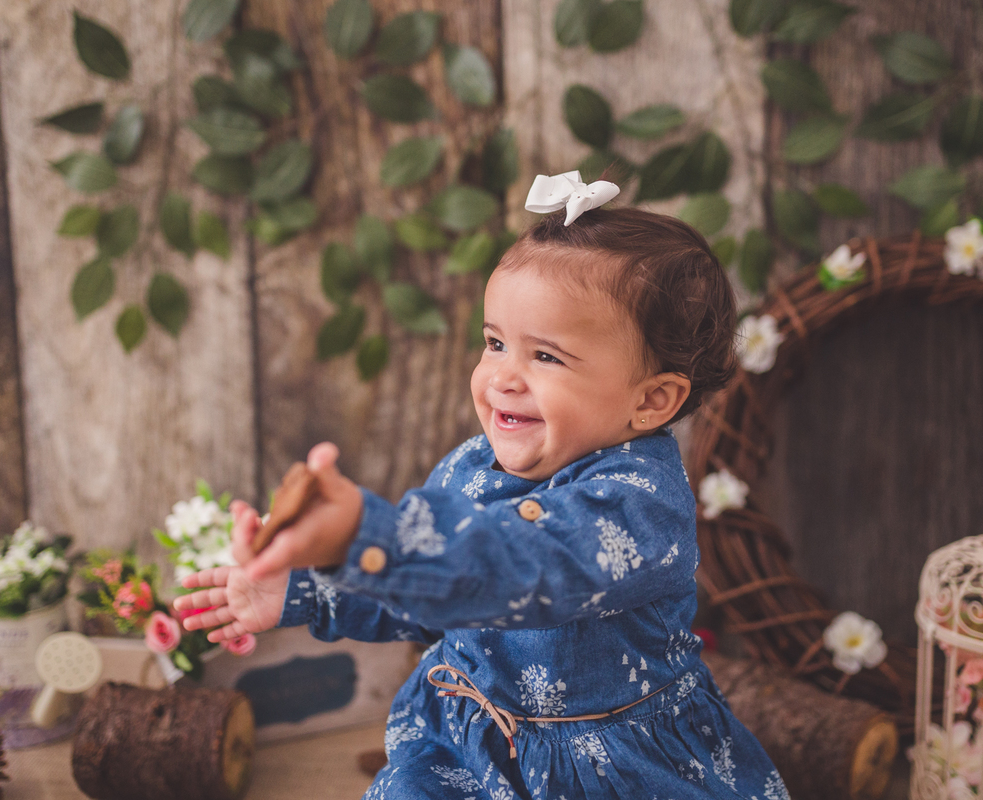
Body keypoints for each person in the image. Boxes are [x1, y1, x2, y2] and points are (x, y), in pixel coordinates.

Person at [174, 172, 788, 799]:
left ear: (652, 399)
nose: (503, 377)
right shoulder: (472, 466)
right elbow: (435, 594)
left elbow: (520, 566)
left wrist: (369, 532)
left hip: (611, 766)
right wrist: (309, 587)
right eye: (495, 343)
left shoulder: (640, 503)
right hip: (466, 742)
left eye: (545, 356)